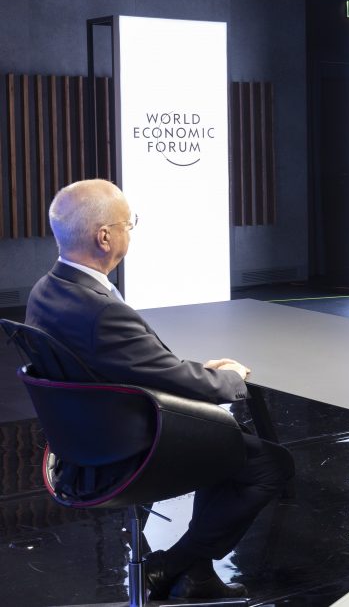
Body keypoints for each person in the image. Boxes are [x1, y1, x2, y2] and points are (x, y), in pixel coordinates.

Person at [25, 179, 294, 601]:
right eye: (129, 223)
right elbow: (169, 377)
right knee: (269, 465)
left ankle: (197, 576)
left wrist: (192, 371)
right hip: (125, 450)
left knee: (225, 442)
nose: (131, 231)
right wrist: (231, 378)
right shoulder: (101, 310)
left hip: (82, 444)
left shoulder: (46, 290)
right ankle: (172, 564)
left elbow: (131, 364)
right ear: (104, 237)